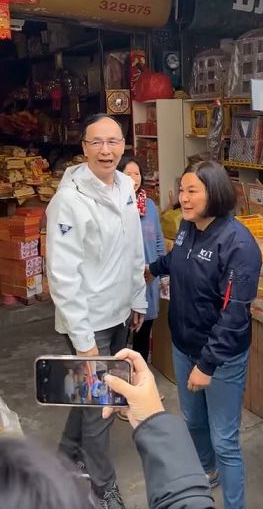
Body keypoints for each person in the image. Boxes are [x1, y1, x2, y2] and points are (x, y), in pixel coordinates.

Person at [46, 113, 148, 509]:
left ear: (123, 145)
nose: (106, 150)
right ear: (84, 147)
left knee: (87, 398)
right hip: (88, 322)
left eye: (113, 142)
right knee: (102, 408)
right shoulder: (68, 201)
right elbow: (63, 275)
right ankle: (102, 487)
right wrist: (83, 341)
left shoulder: (124, 186)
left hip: (119, 313)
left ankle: (65, 456)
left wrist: (137, 299)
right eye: (97, 142)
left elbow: (134, 247)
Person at [147, 160, 262, 509]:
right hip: (184, 347)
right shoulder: (188, 226)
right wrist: (152, 270)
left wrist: (207, 364)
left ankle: (234, 504)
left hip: (221, 359)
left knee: (224, 439)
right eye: (182, 190)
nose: (183, 198)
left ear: (214, 193)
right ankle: (206, 473)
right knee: (194, 422)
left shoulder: (238, 244)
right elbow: (178, 259)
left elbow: (235, 315)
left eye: (192, 191)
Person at [0, 348, 214, 509]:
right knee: (92, 410)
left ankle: (70, 457)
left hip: (116, 318)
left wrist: (153, 419)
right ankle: (100, 482)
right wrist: (155, 421)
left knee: (89, 403)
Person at [117, 156, 165, 362]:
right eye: (128, 174)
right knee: (120, 335)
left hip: (148, 277)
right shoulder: (115, 206)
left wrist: (161, 270)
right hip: (122, 280)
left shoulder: (150, 206)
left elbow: (158, 240)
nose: (133, 178)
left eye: (136, 174)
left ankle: (140, 375)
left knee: (143, 332)